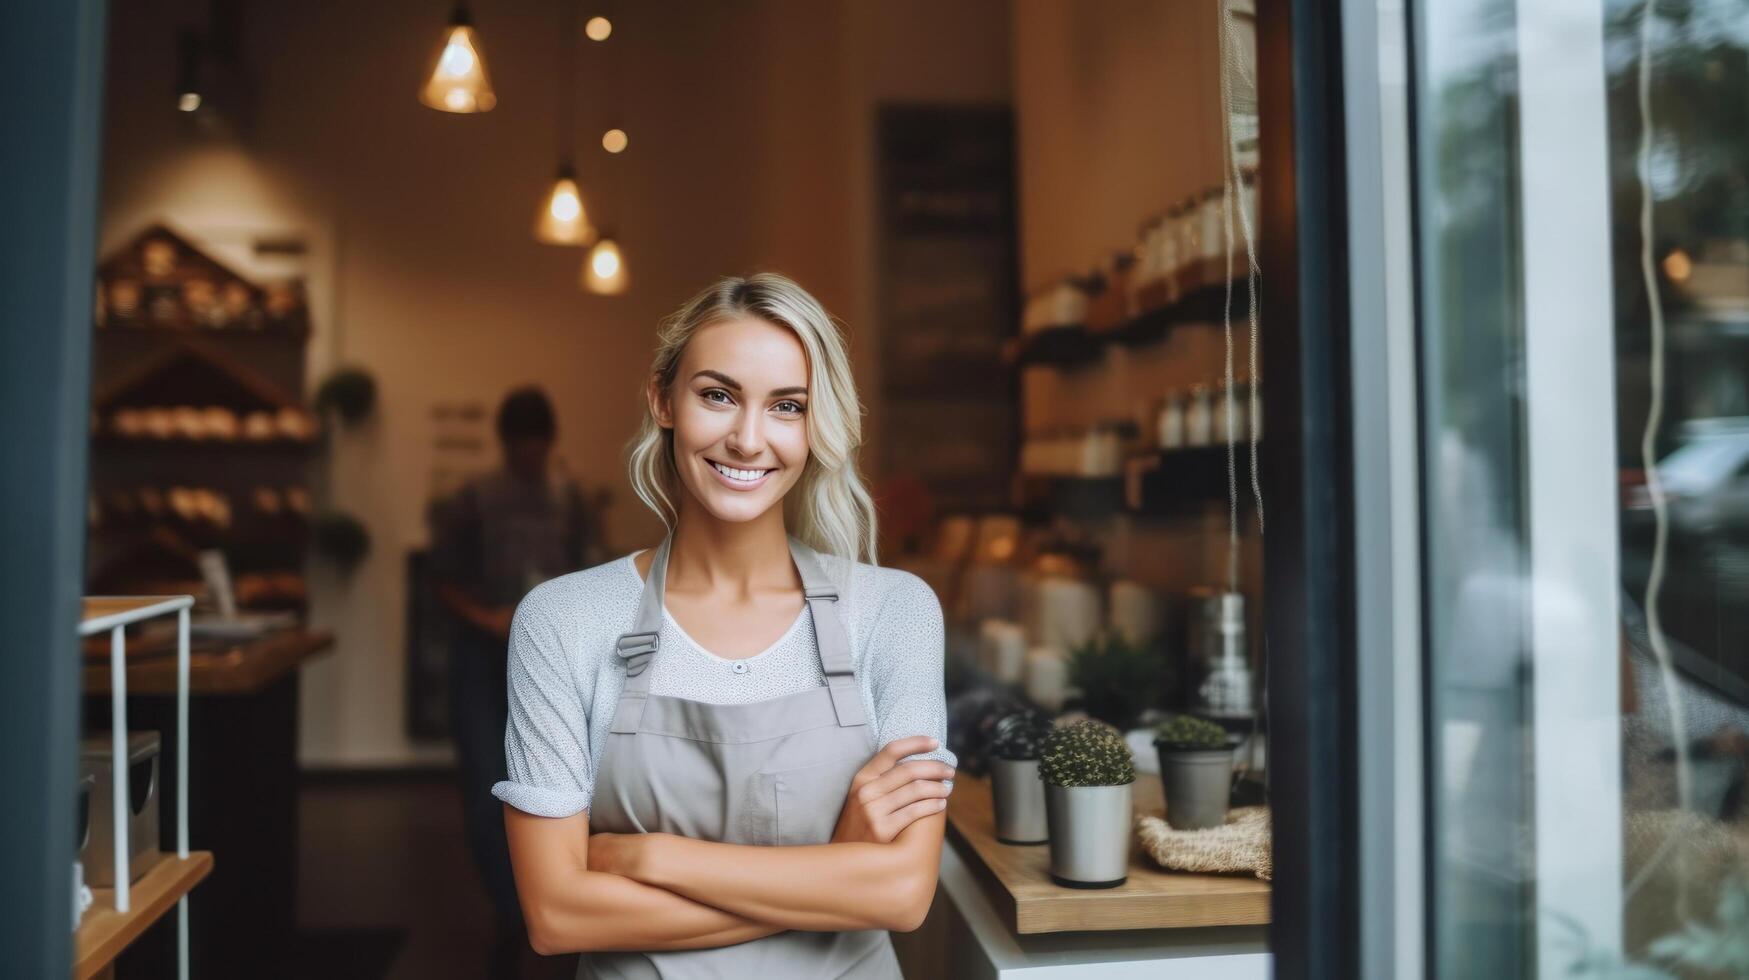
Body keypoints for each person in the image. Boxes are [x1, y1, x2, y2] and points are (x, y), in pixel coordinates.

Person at [492, 273, 959, 978]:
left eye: (787, 407)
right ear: (663, 400)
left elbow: (902, 894)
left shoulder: (894, 612)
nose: (747, 439)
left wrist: (652, 856)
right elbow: (557, 917)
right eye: (717, 395)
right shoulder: (563, 622)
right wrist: (835, 874)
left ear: (815, 426)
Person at [430, 385, 592, 978]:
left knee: (561, 787)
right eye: (521, 446)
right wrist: (490, 619)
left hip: (552, 662)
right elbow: (440, 579)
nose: (530, 456)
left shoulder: (568, 499)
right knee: (483, 789)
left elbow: (586, 576)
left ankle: (554, 905)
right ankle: (509, 914)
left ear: (549, 444)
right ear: (506, 444)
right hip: (483, 657)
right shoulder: (473, 500)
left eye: (538, 446)